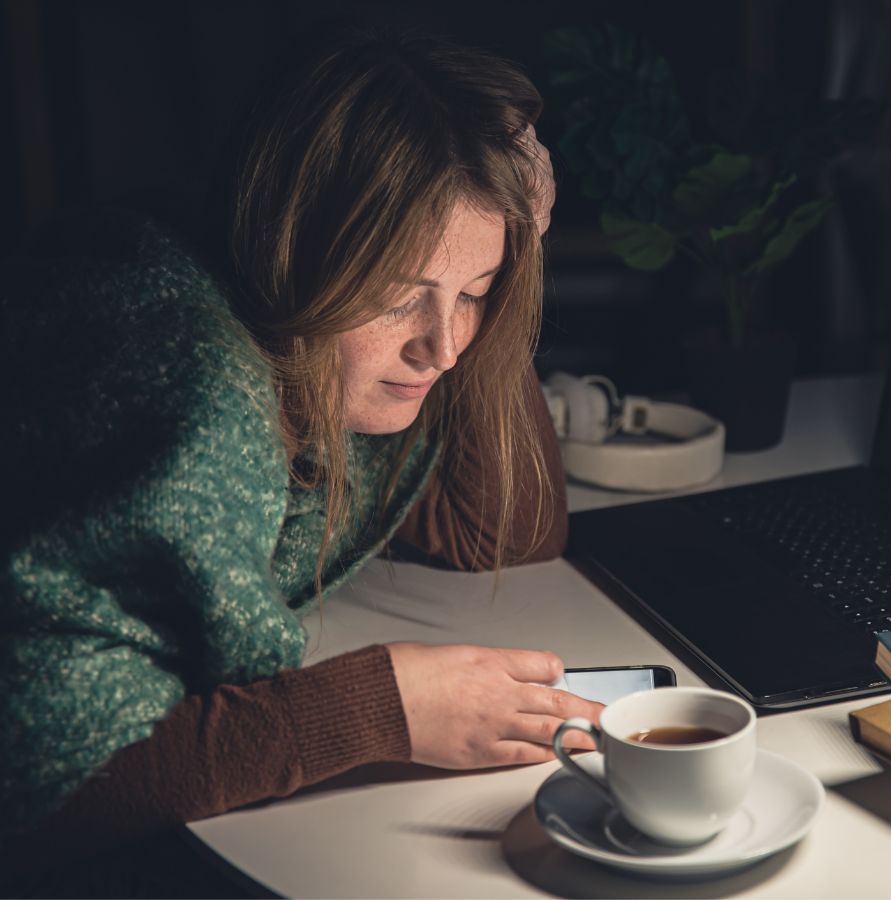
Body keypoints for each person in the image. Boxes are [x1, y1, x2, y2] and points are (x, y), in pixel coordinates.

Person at [0, 22, 603, 893]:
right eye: (398, 297)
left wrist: (509, 250)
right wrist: (384, 708)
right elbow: (37, 781)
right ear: (295, 244)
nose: (442, 349)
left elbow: (505, 529)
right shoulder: (198, 390)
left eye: (474, 295)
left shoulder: (330, 352)